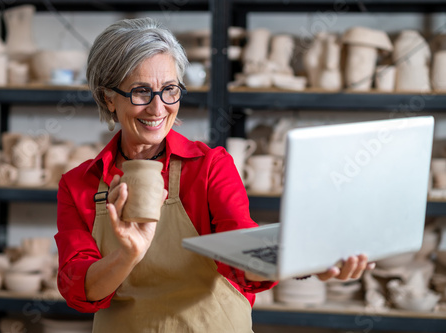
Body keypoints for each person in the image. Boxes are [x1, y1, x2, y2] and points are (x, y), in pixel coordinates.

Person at [55, 17, 374, 332]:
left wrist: (309, 259)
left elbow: (241, 259)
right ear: (108, 97)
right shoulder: (79, 185)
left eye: (169, 90)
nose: (158, 109)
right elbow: (79, 291)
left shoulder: (209, 166)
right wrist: (128, 255)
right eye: (141, 92)